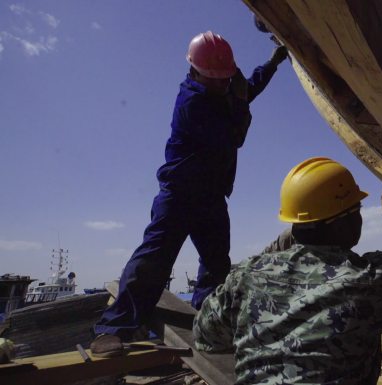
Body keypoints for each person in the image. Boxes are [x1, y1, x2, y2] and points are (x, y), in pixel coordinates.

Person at [90, 31, 289, 357]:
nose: (222, 85)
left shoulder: (222, 89)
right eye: (217, 80)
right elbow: (233, 133)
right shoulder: (192, 102)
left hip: (212, 195)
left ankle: (209, 321)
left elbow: (245, 88)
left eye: (226, 79)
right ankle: (113, 329)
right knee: (153, 260)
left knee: (216, 266)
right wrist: (240, 99)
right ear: (195, 72)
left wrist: (272, 64)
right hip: (180, 192)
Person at [193, 157, 382, 384]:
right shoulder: (366, 280)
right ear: (342, 221)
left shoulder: (247, 277)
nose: (360, 218)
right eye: (357, 210)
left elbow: (205, 336)